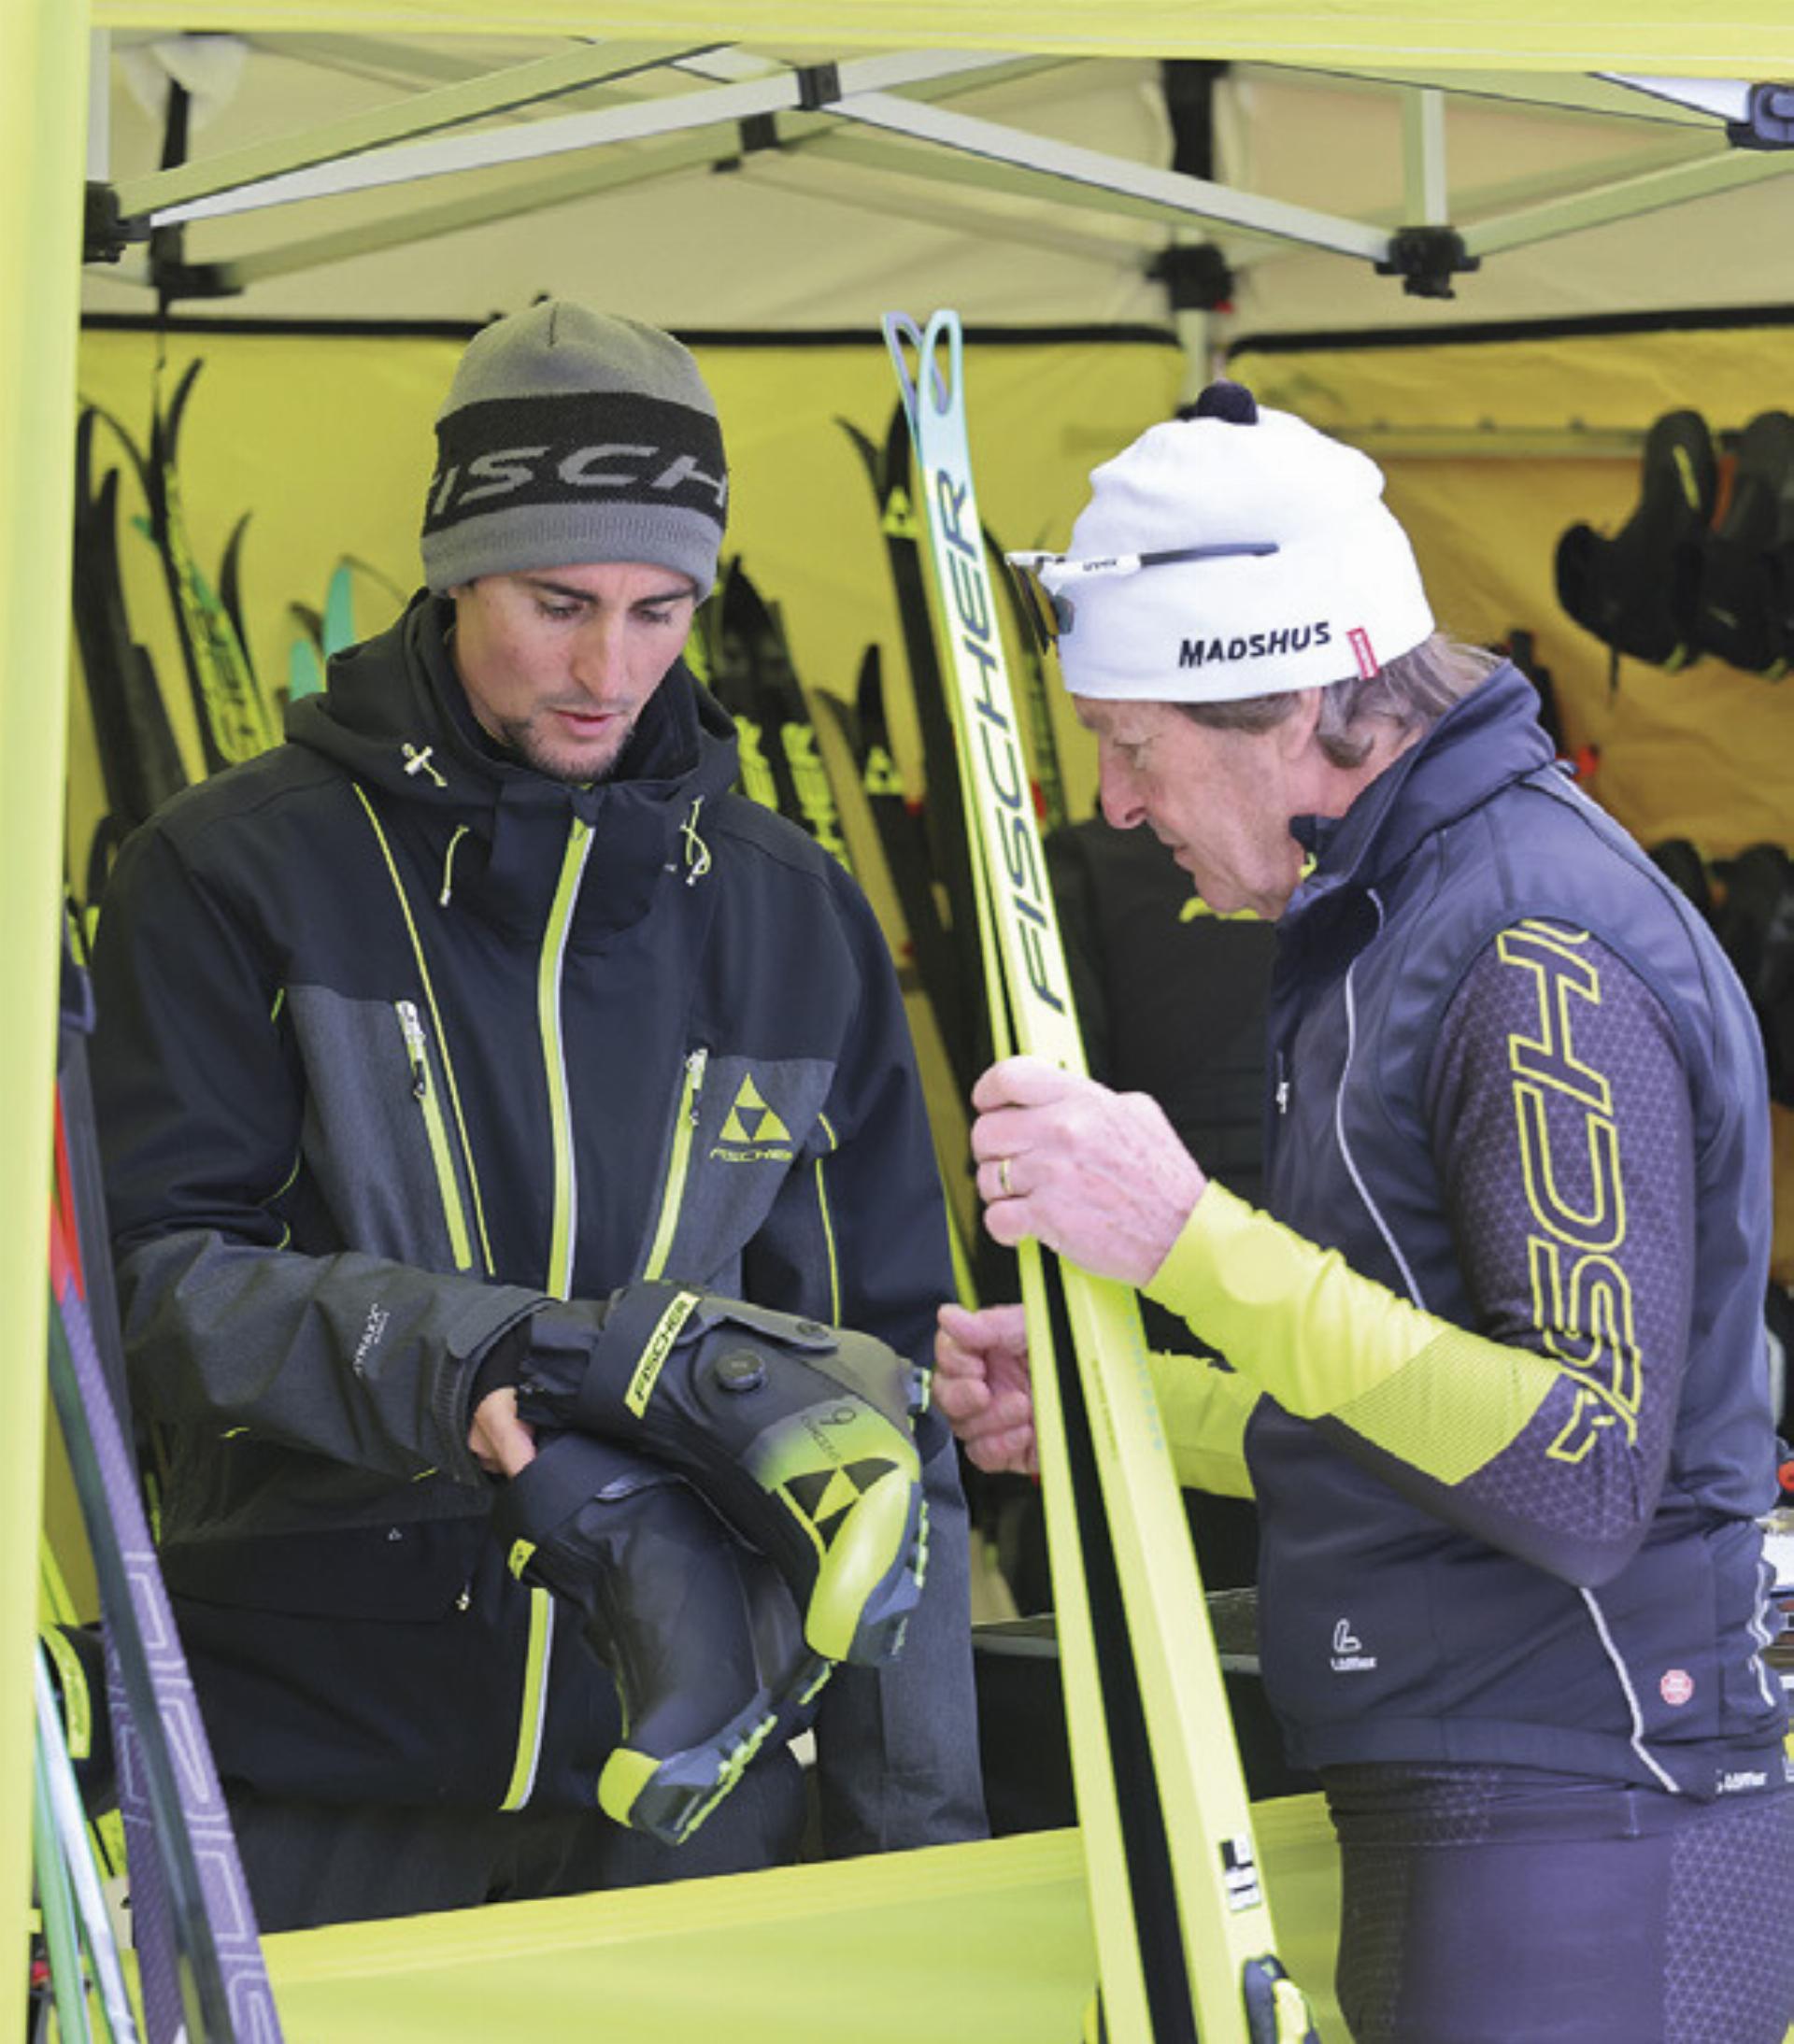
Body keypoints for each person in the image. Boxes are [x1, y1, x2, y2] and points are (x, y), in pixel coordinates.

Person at [89, 302, 985, 1932]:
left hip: (696, 1794)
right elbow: (151, 1292)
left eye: (661, 610)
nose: (610, 670)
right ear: (452, 566)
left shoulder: (796, 911)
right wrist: (490, 1357)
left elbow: (878, 1392)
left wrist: (911, 1857)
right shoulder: (232, 870)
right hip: (316, 1769)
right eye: (557, 601)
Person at [936, 381, 1794, 2041]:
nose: (1114, 806)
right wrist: (1122, 1413)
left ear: (1306, 703)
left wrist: (1184, 1234)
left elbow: (1579, 1467)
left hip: (1596, 1804)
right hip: (1487, 1787)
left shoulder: (1532, 944)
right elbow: (1402, 1414)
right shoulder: (1390, 918)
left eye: (1131, 744)